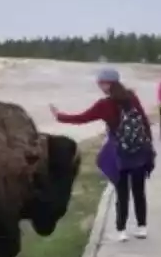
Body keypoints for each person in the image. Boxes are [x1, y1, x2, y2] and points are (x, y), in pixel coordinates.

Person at [50, 67, 155, 241]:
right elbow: (144, 121)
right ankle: (141, 227)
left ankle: (121, 230)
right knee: (139, 190)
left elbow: (82, 118)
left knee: (122, 193)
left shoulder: (104, 105)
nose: (99, 85)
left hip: (120, 154)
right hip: (139, 152)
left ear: (107, 84)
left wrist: (60, 116)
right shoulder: (131, 97)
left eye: (100, 82)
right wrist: (149, 146)